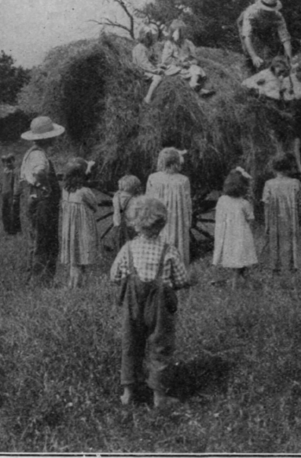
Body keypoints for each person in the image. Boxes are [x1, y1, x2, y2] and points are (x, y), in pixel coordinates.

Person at [110, 196, 189, 408]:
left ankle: (128, 393)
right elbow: (182, 280)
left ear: (134, 224)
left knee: (130, 344)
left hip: (133, 303)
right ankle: (159, 396)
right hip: (160, 307)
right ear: (162, 224)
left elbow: (114, 276)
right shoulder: (169, 250)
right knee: (160, 346)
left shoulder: (128, 248)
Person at [20, 116, 65, 284]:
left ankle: (32, 277)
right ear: (48, 138)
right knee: (46, 239)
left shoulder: (32, 153)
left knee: (37, 238)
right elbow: (39, 172)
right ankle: (42, 280)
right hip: (43, 202)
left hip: (35, 200)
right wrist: (46, 186)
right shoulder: (39, 156)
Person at [146, 147, 192, 269]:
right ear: (177, 162)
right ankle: (177, 270)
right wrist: (188, 220)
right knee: (176, 239)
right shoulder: (183, 180)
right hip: (177, 219)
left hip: (158, 216)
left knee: (159, 239)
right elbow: (188, 204)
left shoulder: (153, 178)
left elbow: (148, 199)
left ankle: (158, 268)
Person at [212, 167, 257, 289]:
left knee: (236, 264)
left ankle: (235, 286)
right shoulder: (244, 203)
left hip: (228, 236)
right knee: (240, 263)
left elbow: (219, 217)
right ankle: (240, 285)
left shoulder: (222, 200)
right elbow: (251, 219)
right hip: (241, 236)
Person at [60, 157, 99, 289]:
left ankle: (73, 284)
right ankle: (83, 286)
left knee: (74, 257)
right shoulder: (84, 191)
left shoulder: (65, 191)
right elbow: (94, 205)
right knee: (83, 254)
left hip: (70, 229)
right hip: (83, 228)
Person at [262, 154, 301, 273]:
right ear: (289, 168)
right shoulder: (296, 183)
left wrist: (267, 223)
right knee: (292, 241)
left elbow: (267, 206)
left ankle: (276, 266)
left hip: (275, 219)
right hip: (292, 218)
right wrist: (300, 219)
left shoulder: (269, 184)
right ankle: (292, 266)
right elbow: (300, 204)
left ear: (273, 168)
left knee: (276, 241)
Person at [238, 0, 292, 72]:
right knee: (248, 50)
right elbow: (247, 36)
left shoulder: (278, 16)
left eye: (271, 11)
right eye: (266, 10)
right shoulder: (250, 13)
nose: (268, 13)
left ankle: (266, 67)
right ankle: (249, 65)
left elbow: (285, 39)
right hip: (248, 25)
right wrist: (253, 56)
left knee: (268, 50)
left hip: (265, 27)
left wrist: (289, 60)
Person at [160, 19, 214, 97]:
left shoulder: (187, 43)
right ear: (173, 32)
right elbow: (165, 60)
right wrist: (180, 63)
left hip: (187, 65)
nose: (182, 34)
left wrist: (190, 62)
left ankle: (194, 84)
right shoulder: (169, 44)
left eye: (183, 32)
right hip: (175, 66)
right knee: (178, 70)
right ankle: (198, 89)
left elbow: (195, 57)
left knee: (195, 68)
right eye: (179, 32)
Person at [132, 28, 163, 104]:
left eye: (150, 36)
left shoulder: (148, 48)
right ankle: (147, 98)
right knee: (158, 78)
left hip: (148, 69)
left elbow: (153, 60)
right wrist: (155, 70)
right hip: (140, 70)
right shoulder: (139, 48)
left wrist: (159, 65)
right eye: (147, 36)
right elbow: (143, 63)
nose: (149, 39)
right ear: (143, 37)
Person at [112, 175, 142, 252]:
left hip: (118, 225)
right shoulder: (135, 199)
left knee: (120, 245)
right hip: (131, 226)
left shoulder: (116, 197)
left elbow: (116, 211)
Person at [0, 153, 22, 235]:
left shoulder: (15, 172)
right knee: (5, 211)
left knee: (13, 212)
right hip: (5, 195)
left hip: (12, 195)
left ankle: (14, 230)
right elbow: (2, 183)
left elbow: (17, 184)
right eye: (5, 162)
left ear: (13, 161)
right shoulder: (5, 171)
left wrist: (16, 196)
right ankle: (7, 228)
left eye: (9, 162)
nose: (7, 164)